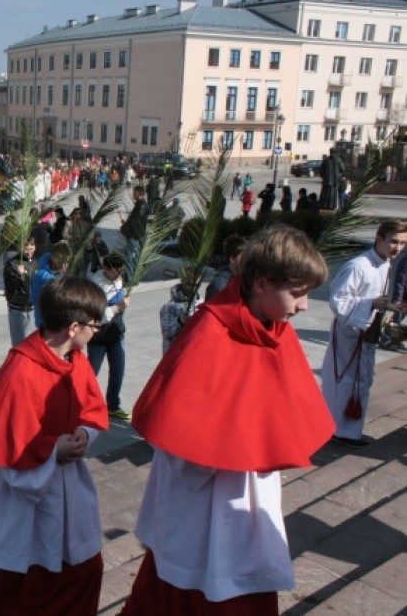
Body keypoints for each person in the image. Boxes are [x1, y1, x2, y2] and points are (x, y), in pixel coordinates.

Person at [121, 225, 334, 616]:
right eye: (299, 293)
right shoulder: (210, 332)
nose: (304, 306)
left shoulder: (276, 327)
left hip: (248, 492)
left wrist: (259, 444)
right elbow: (180, 439)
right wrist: (230, 447)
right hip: (203, 501)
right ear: (262, 284)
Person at [0, 276, 109, 616]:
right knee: (7, 585)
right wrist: (55, 449)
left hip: (63, 489)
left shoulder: (76, 358)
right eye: (94, 325)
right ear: (73, 327)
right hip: (20, 499)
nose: (97, 332)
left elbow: (92, 409)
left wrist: (85, 432)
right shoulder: (21, 373)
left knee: (80, 569)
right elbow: (9, 451)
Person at [321, 220, 407, 447]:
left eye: (402, 244)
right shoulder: (358, 266)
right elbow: (337, 301)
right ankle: (338, 429)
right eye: (393, 242)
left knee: (362, 380)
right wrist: (370, 303)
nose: (397, 248)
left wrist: (389, 307)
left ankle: (350, 430)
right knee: (345, 381)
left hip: (366, 330)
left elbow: (374, 300)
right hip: (349, 332)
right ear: (379, 239)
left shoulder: (385, 263)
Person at [87, 253, 130, 420]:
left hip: (116, 333)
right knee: (91, 372)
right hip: (98, 337)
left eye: (120, 271)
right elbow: (95, 314)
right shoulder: (95, 284)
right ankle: (83, 403)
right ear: (105, 268)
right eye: (114, 271)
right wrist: (117, 307)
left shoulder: (120, 278)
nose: (118, 274)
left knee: (118, 371)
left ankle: (113, 405)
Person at [3, 236, 39, 346]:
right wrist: (20, 275)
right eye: (26, 249)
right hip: (18, 308)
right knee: (19, 343)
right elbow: (10, 286)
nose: (29, 252)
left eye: (31, 249)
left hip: (32, 308)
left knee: (31, 343)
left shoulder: (36, 263)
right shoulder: (12, 264)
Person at [31, 241, 71, 328]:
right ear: (56, 257)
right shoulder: (42, 275)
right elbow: (34, 299)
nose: (65, 265)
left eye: (66, 261)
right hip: (46, 322)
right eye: (63, 261)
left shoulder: (60, 270)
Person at [159, 281, 201, 353]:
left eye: (196, 285)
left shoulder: (201, 302)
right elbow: (166, 332)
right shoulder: (170, 306)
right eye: (190, 284)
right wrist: (180, 322)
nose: (194, 288)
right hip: (175, 354)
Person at [205, 235, 246, 302]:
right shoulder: (219, 286)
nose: (248, 260)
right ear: (232, 259)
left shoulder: (242, 281)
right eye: (244, 256)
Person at [120, 186, 148, 264]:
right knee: (129, 257)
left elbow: (135, 220)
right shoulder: (140, 204)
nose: (132, 195)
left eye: (133, 192)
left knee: (130, 260)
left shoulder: (141, 205)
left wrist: (124, 228)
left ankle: (129, 276)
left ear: (137, 193)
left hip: (134, 236)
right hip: (135, 235)